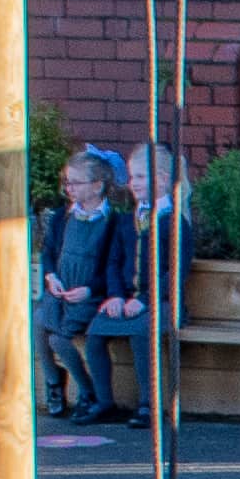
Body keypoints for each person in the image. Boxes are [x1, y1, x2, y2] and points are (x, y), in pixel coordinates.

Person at [38, 148, 156, 424]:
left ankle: (88, 391)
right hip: (62, 289)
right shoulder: (62, 216)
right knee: (37, 320)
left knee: (57, 337)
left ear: (97, 185)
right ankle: (54, 383)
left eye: (76, 183)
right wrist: (51, 277)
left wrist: (90, 290)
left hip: (90, 295)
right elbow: (48, 253)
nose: (70, 188)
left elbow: (111, 265)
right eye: (67, 182)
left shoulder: (113, 219)